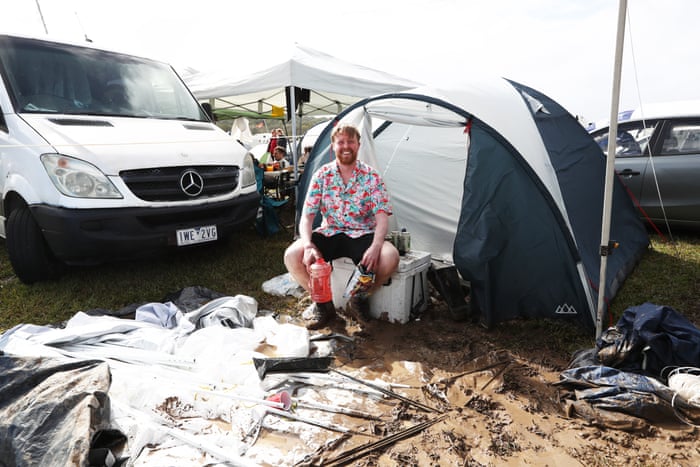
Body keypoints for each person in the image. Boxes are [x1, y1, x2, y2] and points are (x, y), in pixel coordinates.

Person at [284, 124, 399, 329]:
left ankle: (358, 299)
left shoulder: (371, 176)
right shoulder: (322, 175)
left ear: (358, 145)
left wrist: (375, 246)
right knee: (292, 255)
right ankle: (324, 306)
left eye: (351, 142)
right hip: (331, 231)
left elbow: (382, 219)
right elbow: (307, 218)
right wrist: (309, 245)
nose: (346, 146)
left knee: (390, 256)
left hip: (362, 233)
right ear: (333, 147)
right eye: (341, 142)